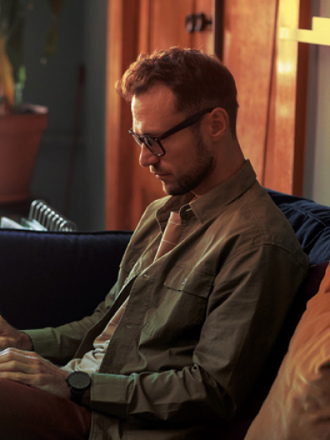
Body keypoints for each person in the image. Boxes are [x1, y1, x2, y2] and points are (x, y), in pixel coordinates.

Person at [0, 47, 308, 440]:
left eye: (156, 140)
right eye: (138, 138)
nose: (145, 158)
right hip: (76, 389)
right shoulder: (161, 213)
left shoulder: (258, 244)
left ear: (215, 124)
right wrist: (23, 343)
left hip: (111, 423)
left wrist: (73, 384)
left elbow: (211, 390)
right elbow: (103, 322)